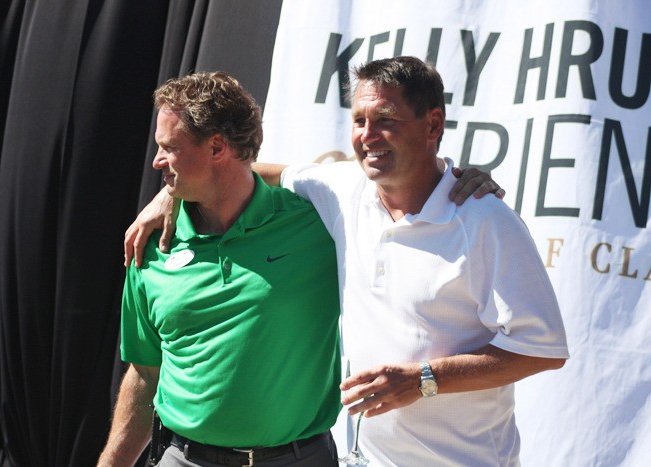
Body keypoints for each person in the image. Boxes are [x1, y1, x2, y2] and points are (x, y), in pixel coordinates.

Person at [128, 56, 569, 466]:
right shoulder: (340, 190)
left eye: (386, 121)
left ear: (433, 124)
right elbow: (246, 170)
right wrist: (169, 192)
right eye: (359, 120)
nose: (367, 135)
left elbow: (541, 350)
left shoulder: (485, 220)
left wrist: (423, 379)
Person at [98, 71, 343, 466]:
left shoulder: (317, 225)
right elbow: (146, 371)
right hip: (183, 457)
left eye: (169, 148)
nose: (156, 160)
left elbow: (395, 182)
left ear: (217, 147)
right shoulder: (150, 245)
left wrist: (468, 182)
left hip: (300, 457)